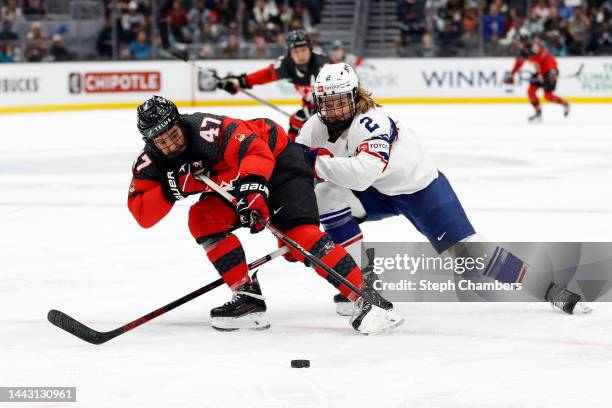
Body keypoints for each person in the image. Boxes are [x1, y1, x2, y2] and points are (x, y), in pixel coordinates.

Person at [296, 63, 591, 316]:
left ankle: (547, 288)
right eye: (327, 102)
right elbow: (292, 169)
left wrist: (316, 162)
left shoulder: (371, 121)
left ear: (354, 96)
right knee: (326, 196)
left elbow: (360, 175)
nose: (333, 110)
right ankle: (360, 282)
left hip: (420, 189)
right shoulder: (314, 128)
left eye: (340, 101)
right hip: (378, 191)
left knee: (473, 256)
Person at [127, 95, 403, 334]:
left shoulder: (207, 129)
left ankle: (365, 296)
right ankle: (247, 296)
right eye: (161, 141)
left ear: (180, 122)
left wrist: (254, 193)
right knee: (202, 218)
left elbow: (255, 149)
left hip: (279, 162)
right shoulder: (150, 163)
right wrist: (169, 190)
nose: (172, 144)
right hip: (234, 184)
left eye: (174, 133)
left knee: (300, 237)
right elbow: (142, 214)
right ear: (149, 142)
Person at [216, 29, 332, 141]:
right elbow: (266, 75)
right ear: (290, 53)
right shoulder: (286, 64)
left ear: (310, 49)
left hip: (331, 107)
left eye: (303, 50)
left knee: (300, 122)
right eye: (296, 51)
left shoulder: (325, 65)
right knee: (296, 124)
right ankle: (294, 153)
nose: (300, 55)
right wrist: (240, 81)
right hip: (310, 107)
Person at [504, 34, 570, 122]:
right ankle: (538, 112)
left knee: (548, 96)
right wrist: (511, 75)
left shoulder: (535, 48)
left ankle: (565, 103)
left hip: (549, 72)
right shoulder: (522, 53)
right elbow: (518, 64)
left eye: (519, 43)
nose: (517, 45)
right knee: (531, 91)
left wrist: (552, 71)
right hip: (540, 73)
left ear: (524, 42)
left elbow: (548, 59)